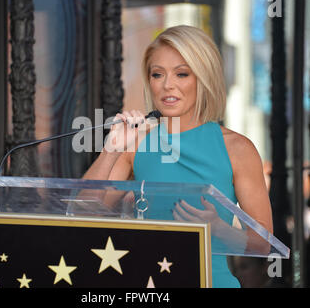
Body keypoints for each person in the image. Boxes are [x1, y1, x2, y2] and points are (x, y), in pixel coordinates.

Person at [83, 25, 273, 288]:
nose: (167, 85)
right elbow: (80, 215)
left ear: (203, 78)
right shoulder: (137, 142)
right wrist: (110, 151)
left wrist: (219, 229)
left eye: (181, 74)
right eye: (157, 74)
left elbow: (263, 244)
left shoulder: (237, 148)